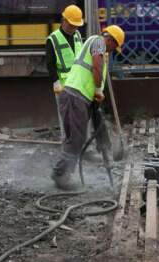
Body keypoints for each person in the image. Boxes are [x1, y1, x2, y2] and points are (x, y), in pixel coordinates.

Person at [50, 25, 125, 190]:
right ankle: (60, 174)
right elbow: (96, 66)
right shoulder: (98, 42)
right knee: (77, 138)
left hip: (78, 98)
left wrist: (95, 99)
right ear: (111, 40)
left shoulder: (97, 44)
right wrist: (98, 91)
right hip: (75, 96)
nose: (112, 51)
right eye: (114, 47)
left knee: (77, 137)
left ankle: (64, 173)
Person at [46, 4, 83, 140]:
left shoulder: (78, 35)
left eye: (76, 25)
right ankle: (67, 146)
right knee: (66, 118)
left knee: (82, 117)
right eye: (72, 25)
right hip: (64, 85)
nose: (74, 28)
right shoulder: (53, 39)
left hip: (80, 84)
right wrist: (55, 82)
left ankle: (82, 145)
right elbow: (50, 64)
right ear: (64, 20)